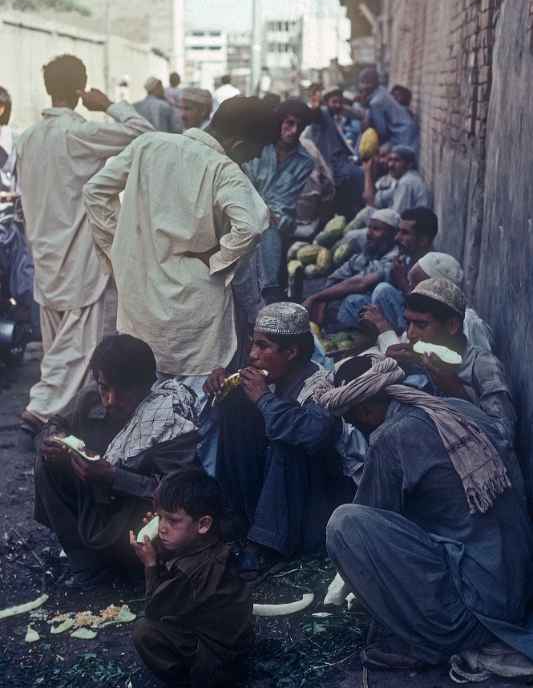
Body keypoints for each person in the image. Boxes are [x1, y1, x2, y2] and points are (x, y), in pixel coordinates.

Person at [322, 355, 533, 672]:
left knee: (344, 525)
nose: (358, 428)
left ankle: (425, 643)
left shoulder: (390, 437)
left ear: (366, 410)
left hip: (475, 614)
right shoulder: (456, 407)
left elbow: (369, 522)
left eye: (353, 421)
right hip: (520, 590)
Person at [83, 96, 277, 396]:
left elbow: (95, 191)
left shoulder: (147, 145)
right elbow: (251, 226)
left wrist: (120, 247)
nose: (250, 161)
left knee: (142, 407)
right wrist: (216, 258)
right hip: (195, 320)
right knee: (197, 415)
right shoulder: (224, 169)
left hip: (141, 307)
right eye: (253, 153)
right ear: (238, 145)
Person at [16, 54, 153, 434]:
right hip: (78, 254)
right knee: (76, 345)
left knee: (59, 346)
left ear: (47, 88)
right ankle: (41, 409)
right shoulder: (78, 133)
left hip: (43, 251)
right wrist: (108, 104)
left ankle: (60, 416)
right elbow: (143, 132)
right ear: (80, 89)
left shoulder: (26, 138)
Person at [34, 334, 199, 588]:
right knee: (46, 462)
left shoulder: (168, 418)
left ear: (144, 385)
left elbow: (179, 492)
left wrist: (113, 477)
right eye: (104, 388)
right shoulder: (92, 397)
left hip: (137, 516)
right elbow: (58, 422)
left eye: (122, 391)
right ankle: (87, 567)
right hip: (98, 507)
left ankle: (138, 571)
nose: (110, 400)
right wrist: (51, 437)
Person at [203, 303, 350, 569]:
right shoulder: (273, 376)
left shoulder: (320, 385)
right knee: (236, 409)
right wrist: (221, 387)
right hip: (281, 499)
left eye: (262, 346)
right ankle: (236, 519)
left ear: (291, 352)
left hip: (319, 504)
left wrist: (264, 400)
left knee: (289, 441)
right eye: (253, 345)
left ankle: (265, 545)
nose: (252, 355)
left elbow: (313, 435)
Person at [131, 467, 253, 688]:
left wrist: (150, 564)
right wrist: (170, 532)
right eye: (159, 518)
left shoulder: (191, 572)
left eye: (173, 520)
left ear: (203, 524)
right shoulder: (214, 546)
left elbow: (154, 610)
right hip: (234, 646)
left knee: (145, 631)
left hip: (217, 665)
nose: (162, 528)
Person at [385, 278, 517, 443]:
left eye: (421, 325)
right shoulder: (421, 357)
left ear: (452, 326)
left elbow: (503, 435)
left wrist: (456, 390)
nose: (410, 334)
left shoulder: (483, 365)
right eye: (408, 323)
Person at [244, 99, 314, 303]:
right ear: (280, 122)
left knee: (270, 232)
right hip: (247, 212)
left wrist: (263, 211)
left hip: (278, 224)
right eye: (289, 123)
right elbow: (245, 183)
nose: (293, 131)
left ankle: (271, 292)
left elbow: (283, 201)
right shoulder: (259, 148)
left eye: (299, 127)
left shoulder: (305, 162)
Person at [303, 209, 400, 336]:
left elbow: (360, 283)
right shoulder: (367, 253)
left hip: (382, 315)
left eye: (376, 229)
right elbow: (337, 276)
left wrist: (318, 297)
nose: (369, 234)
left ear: (392, 234)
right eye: (369, 228)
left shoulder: (394, 259)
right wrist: (323, 299)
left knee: (353, 300)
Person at [359, 208, 438, 335]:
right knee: (356, 301)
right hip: (403, 317)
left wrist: (403, 283)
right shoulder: (404, 258)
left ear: (423, 240)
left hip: (419, 333)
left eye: (405, 233)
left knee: (382, 290)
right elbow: (363, 281)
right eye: (398, 231)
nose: (397, 237)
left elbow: (429, 314)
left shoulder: (434, 269)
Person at [305, 87, 363, 220]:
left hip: (341, 162)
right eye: (334, 102)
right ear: (326, 103)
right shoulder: (323, 114)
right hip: (327, 164)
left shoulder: (338, 116)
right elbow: (315, 113)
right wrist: (316, 105)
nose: (338, 105)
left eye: (340, 102)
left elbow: (359, 115)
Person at [358, 67, 420, 153]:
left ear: (368, 85)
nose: (362, 90)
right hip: (408, 130)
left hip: (402, 136)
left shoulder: (375, 103)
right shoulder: (382, 91)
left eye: (363, 85)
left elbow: (382, 132)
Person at [364, 144, 431, 215]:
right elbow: (376, 200)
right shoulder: (402, 179)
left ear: (409, 164)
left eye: (396, 160)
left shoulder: (406, 182)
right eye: (390, 160)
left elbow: (397, 216)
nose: (391, 165)